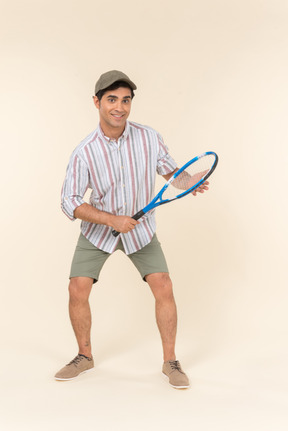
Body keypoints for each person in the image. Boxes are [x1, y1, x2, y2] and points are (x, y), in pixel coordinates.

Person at [55, 70, 209, 388]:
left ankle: (171, 362)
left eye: (125, 100)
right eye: (112, 99)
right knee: (76, 289)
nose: (120, 107)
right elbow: (69, 201)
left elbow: (172, 173)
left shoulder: (149, 137)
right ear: (97, 102)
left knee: (163, 285)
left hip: (141, 230)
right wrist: (112, 220)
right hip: (98, 232)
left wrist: (189, 182)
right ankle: (84, 356)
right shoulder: (85, 151)